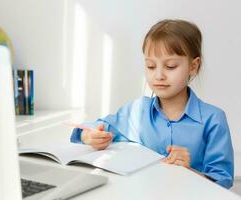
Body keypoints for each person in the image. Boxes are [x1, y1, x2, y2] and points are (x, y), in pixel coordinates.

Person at [70, 19, 234, 189]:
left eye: (170, 66)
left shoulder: (213, 119)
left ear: (193, 66)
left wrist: (189, 171)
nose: (159, 75)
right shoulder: (137, 112)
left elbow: (222, 180)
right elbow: (96, 127)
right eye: (150, 66)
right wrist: (88, 136)